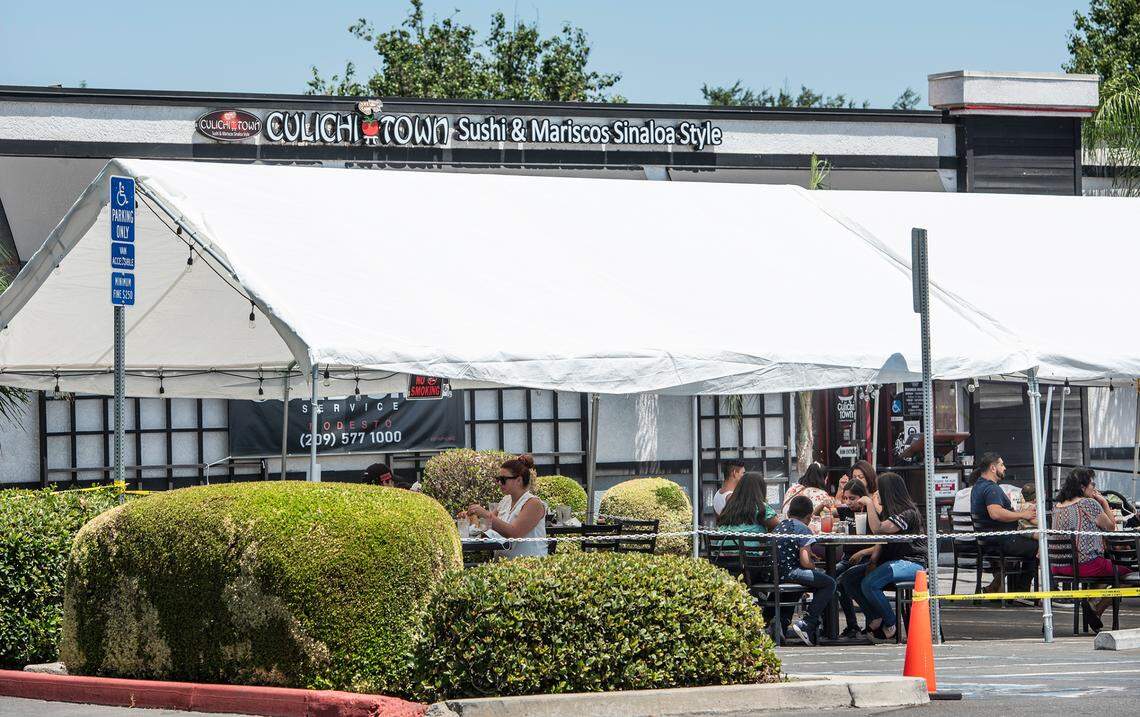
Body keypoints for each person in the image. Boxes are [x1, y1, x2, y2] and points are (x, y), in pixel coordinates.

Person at [840, 472, 926, 641]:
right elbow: (881, 541)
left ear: (889, 492)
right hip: (892, 562)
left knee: (870, 584)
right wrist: (872, 560)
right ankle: (875, 618)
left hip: (912, 562)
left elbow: (879, 529)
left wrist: (869, 503)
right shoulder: (890, 512)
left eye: (880, 490)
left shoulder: (907, 514)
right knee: (848, 578)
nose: (877, 493)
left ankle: (891, 624)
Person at [1051, 467, 1136, 632]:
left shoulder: (1058, 506)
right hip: (1085, 564)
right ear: (1082, 487)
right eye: (1093, 484)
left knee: (1107, 572)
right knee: (1129, 576)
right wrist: (1104, 503)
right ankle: (1096, 606)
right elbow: (1111, 528)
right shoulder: (1088, 504)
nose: (1095, 488)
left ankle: (1092, 602)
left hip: (1059, 566)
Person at [773, 495, 836, 646]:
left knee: (798, 585)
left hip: (775, 573)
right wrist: (814, 566)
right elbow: (805, 562)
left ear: (789, 513)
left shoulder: (780, 526)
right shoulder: (803, 529)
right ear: (809, 517)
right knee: (829, 583)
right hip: (790, 572)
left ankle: (780, 624)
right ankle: (808, 623)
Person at [969, 452, 1038, 591]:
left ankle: (1001, 588)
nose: (1004, 467)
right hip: (1001, 541)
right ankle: (1021, 590)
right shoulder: (991, 488)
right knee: (1040, 546)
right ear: (993, 468)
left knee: (1032, 544)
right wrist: (1023, 514)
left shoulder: (978, 486)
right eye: (1001, 464)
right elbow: (995, 513)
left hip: (989, 540)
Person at [466, 454, 548, 559]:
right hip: (503, 563)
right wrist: (469, 518)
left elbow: (514, 533)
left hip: (529, 564)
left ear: (519, 480)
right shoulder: (506, 500)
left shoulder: (533, 503)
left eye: (503, 479)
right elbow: (487, 525)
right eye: (498, 479)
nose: (499, 483)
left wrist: (485, 514)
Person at [833, 480, 877, 638]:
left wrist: (863, 553)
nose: (848, 502)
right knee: (830, 577)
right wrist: (821, 506)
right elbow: (824, 513)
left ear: (862, 497)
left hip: (867, 559)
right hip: (847, 558)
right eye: (846, 498)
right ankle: (850, 625)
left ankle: (871, 622)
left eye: (852, 498)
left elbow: (881, 543)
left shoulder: (871, 511)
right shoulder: (844, 511)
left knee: (843, 581)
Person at [717, 471, 780, 535]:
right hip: (750, 541)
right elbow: (778, 526)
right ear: (761, 489)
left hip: (723, 540)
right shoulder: (760, 506)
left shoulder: (729, 506)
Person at [782, 462, 831, 532]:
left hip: (786, 527)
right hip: (805, 531)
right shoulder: (822, 494)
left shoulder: (792, 489)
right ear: (823, 478)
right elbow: (827, 515)